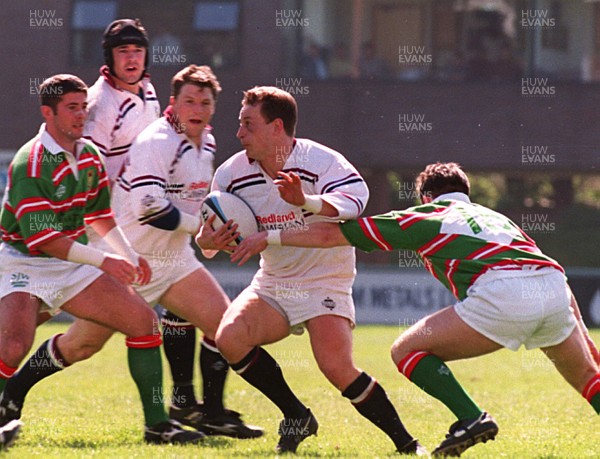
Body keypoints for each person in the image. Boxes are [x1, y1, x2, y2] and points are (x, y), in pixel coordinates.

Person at [232, 162, 600, 456]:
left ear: (426, 196)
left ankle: (471, 418)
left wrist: (271, 236)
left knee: (406, 350)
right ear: (466, 194)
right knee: (587, 377)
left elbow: (332, 234)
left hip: (504, 293)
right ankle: (473, 419)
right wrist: (586, 346)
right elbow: (549, 270)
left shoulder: (424, 217)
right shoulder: (498, 220)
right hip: (553, 287)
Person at [0, 66, 262, 440]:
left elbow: (99, 214)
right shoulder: (34, 161)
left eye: (83, 108)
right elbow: (44, 240)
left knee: (145, 324)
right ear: (48, 113)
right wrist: (109, 258)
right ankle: (7, 403)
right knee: (16, 344)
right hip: (26, 262)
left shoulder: (89, 154)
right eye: (72, 108)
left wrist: (126, 253)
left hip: (91, 261)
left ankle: (159, 425)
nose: (81, 115)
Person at [196, 86, 424, 455]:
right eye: (240, 125)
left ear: (276, 127)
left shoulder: (322, 162)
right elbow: (205, 240)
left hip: (324, 280)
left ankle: (407, 444)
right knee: (229, 338)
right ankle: (295, 415)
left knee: (336, 367)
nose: (238, 134)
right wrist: (211, 239)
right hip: (274, 282)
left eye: (247, 125)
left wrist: (304, 201)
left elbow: (340, 221)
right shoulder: (231, 173)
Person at [86, 19, 238, 434]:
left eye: (138, 51)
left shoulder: (151, 96)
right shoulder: (99, 104)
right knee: (79, 339)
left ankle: (195, 408)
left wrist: (199, 226)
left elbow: (168, 181)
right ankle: (12, 395)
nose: (132, 58)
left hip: (157, 233)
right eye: (123, 52)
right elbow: (88, 168)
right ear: (109, 58)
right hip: (115, 230)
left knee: (216, 321)